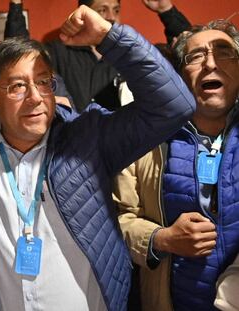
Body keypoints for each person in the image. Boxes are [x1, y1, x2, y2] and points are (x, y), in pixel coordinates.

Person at [0, 4, 195, 310]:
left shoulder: (87, 139)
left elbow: (174, 106)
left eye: (43, 82)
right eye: (17, 86)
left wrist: (109, 37)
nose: (36, 97)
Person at [113, 19, 239, 311]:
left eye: (223, 52)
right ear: (180, 75)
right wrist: (161, 238)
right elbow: (117, 219)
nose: (210, 63)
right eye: (195, 56)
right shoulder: (145, 142)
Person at [4, 0, 191, 112]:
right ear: (84, 13)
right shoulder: (59, 51)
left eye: (116, 10)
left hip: (127, 147)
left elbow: (186, 52)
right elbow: (19, 57)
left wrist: (166, 9)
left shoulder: (130, 52)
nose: (111, 17)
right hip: (77, 148)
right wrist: (16, 4)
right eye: (102, 10)